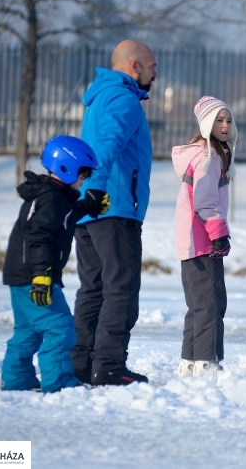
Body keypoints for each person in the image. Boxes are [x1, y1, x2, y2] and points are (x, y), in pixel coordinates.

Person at [71, 40, 157, 386]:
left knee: (92, 289)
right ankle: (108, 365)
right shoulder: (124, 99)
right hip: (115, 208)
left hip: (89, 210)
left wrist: (88, 192)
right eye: (152, 66)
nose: (155, 73)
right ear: (135, 66)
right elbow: (108, 144)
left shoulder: (100, 97)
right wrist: (97, 185)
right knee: (121, 289)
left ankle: (81, 362)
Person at [1, 135, 109, 393]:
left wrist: (88, 206)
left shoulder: (53, 195)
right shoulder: (51, 198)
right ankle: (58, 382)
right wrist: (41, 275)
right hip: (35, 276)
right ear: (66, 168)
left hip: (23, 274)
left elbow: (64, 216)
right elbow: (38, 237)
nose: (84, 181)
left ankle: (17, 380)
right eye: (83, 174)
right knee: (60, 327)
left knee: (28, 332)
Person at [172, 96, 237, 378]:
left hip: (192, 240)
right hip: (201, 240)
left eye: (228, 120)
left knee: (199, 304)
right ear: (206, 123)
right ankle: (206, 361)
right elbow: (205, 200)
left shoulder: (207, 153)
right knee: (210, 303)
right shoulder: (208, 157)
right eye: (218, 120)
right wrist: (219, 234)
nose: (225, 126)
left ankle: (189, 361)